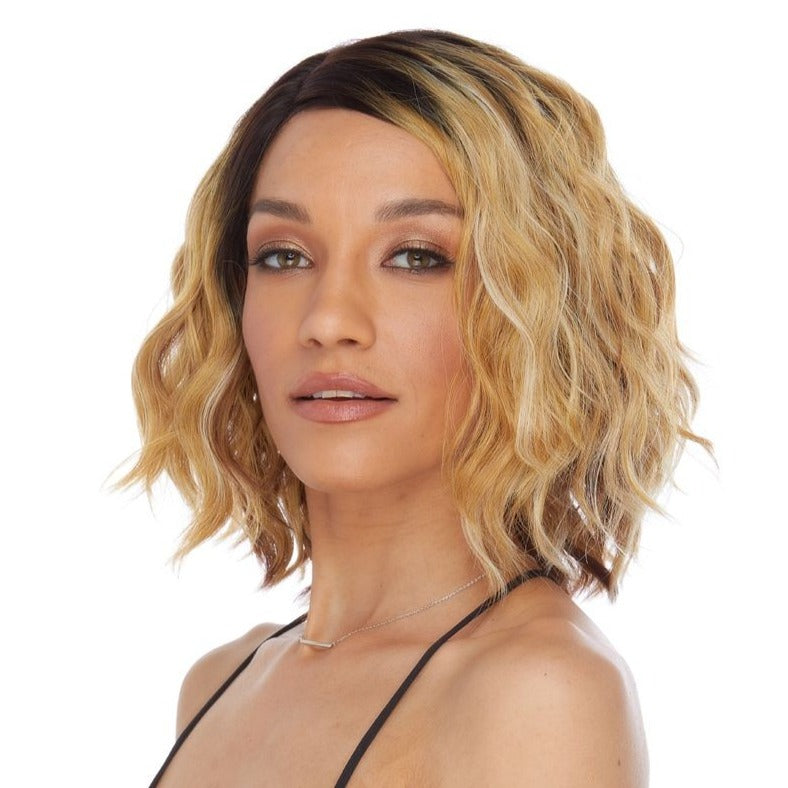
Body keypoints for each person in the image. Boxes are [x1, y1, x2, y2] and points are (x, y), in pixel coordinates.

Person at [124, 29, 707, 786]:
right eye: (284, 256)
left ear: (534, 307)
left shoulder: (536, 691)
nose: (328, 320)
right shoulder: (219, 683)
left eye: (416, 257)